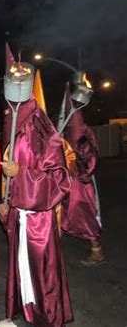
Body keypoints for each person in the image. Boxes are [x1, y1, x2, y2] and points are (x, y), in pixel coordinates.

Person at [0, 62, 73, 327]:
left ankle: (49, 320)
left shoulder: (45, 135)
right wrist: (5, 203)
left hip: (39, 219)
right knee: (22, 268)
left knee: (43, 274)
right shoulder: (14, 128)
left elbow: (60, 180)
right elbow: (8, 172)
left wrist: (23, 173)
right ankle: (27, 313)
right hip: (19, 215)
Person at [60, 86, 104, 265]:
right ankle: (53, 246)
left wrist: (77, 171)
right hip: (68, 180)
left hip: (81, 183)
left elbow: (90, 161)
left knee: (86, 214)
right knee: (61, 210)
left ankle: (97, 251)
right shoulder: (69, 130)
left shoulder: (82, 134)